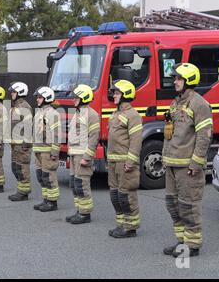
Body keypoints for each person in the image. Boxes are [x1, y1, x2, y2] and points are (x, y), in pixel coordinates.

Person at [162, 63, 213, 258]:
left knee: (188, 205)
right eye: (175, 78)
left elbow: (204, 136)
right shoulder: (176, 103)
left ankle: (192, 245)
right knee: (172, 204)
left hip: (187, 166)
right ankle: (181, 241)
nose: (175, 81)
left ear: (189, 81)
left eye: (179, 79)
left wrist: (196, 163)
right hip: (172, 163)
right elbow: (171, 133)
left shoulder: (199, 104)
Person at [107, 80, 143, 238]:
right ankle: (121, 224)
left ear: (125, 95)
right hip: (114, 161)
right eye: (114, 92)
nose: (114, 95)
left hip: (125, 163)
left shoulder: (133, 115)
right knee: (115, 195)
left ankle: (130, 228)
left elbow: (136, 141)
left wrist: (130, 162)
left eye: (117, 93)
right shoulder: (116, 113)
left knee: (126, 195)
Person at [66, 84, 100, 225]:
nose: (74, 99)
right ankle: (79, 210)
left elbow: (94, 137)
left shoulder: (91, 114)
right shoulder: (78, 113)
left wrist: (87, 157)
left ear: (84, 98)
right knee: (75, 184)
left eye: (77, 97)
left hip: (82, 156)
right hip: (74, 154)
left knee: (82, 184)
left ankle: (85, 214)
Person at [32, 87, 61, 212]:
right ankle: (46, 199)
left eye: (39, 97)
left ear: (47, 98)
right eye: (37, 97)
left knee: (49, 176)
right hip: (39, 150)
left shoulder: (53, 113)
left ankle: (52, 202)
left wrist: (54, 152)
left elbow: (57, 134)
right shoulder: (39, 112)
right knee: (41, 176)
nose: (37, 100)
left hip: (48, 151)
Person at [8, 82, 33, 202]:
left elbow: (28, 127)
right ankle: (20, 189)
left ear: (20, 92)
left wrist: (26, 144)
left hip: (22, 144)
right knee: (16, 167)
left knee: (22, 168)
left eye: (13, 92)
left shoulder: (24, 107)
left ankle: (24, 192)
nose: (11, 94)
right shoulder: (16, 107)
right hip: (15, 144)